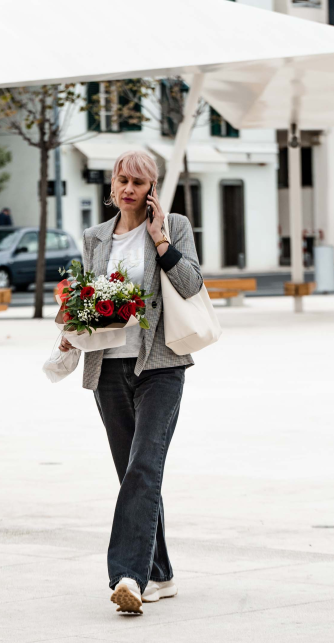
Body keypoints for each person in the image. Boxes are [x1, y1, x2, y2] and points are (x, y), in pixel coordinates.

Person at [58, 150, 203, 615]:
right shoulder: (95, 237)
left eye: (138, 183)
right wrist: (71, 326)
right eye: (122, 180)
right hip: (109, 368)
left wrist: (161, 241)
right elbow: (88, 300)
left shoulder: (173, 226)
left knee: (144, 466)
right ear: (112, 183)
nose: (128, 189)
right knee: (132, 475)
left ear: (151, 189)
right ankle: (160, 573)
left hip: (161, 365)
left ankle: (128, 577)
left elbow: (192, 284)